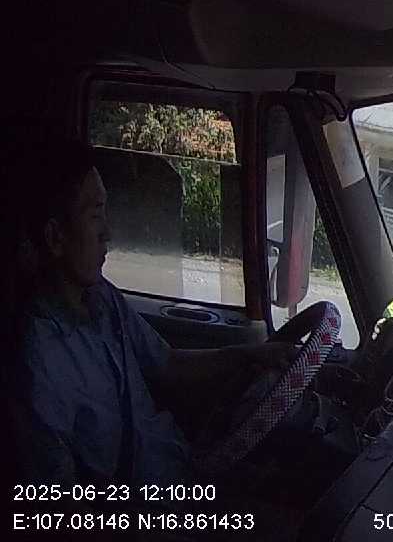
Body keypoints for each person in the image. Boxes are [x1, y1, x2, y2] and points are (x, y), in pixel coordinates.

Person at [4, 136, 291, 487]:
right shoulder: (37, 362)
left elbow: (166, 363)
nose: (108, 233)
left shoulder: (102, 298)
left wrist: (250, 355)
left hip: (182, 468)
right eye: (95, 216)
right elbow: (60, 503)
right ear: (55, 237)